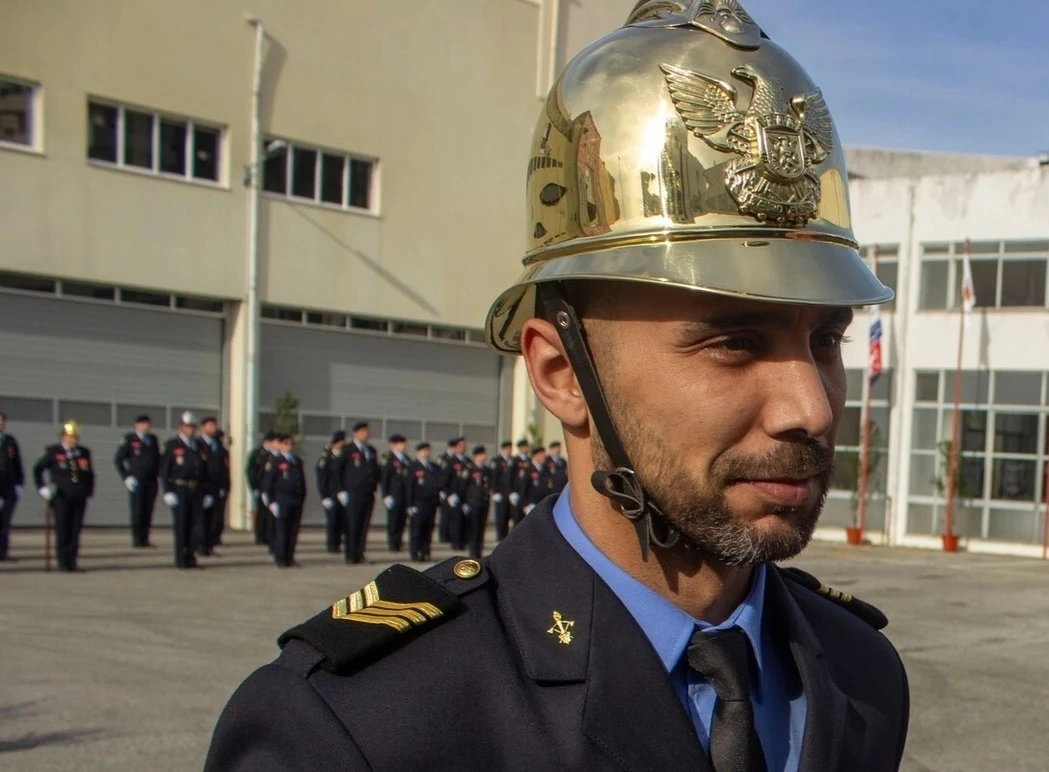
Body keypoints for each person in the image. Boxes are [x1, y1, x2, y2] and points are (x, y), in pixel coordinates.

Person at [205, 3, 909, 769]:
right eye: (733, 343)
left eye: (825, 340)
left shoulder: (859, 672)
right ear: (561, 373)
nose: (810, 407)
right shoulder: (361, 727)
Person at [33, 420, 94, 572]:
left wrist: (89, 492)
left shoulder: (83, 453)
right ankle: (62, 561)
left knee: (75, 530)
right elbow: (37, 469)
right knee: (63, 528)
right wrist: (42, 488)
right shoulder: (54, 453)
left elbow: (90, 475)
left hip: (79, 496)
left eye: (76, 437)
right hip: (62, 497)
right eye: (71, 437)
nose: (74, 440)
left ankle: (72, 561)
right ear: (63, 437)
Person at [160, 412, 210, 569]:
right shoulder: (172, 446)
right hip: (179, 488)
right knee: (182, 524)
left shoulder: (200, 446)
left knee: (196, 525)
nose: (191, 430)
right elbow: (164, 470)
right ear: (180, 427)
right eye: (187, 427)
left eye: (193, 427)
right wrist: (167, 491)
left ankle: (191, 555)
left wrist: (207, 492)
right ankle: (181, 557)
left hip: (196, 489)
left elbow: (205, 472)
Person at [113, 413, 160, 548]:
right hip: (137, 480)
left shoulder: (152, 439)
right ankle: (137, 539)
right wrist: (126, 477)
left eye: (148, 424)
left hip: (151, 480)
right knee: (138, 510)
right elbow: (118, 460)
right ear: (137, 425)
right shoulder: (129, 439)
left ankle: (145, 538)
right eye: (143, 424)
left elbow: (157, 458)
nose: (146, 427)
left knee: (148, 510)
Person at [335, 422, 378, 565]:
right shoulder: (347, 450)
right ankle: (351, 555)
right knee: (352, 525)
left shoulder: (370, 450)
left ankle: (360, 553)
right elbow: (337, 471)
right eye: (363, 432)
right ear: (356, 433)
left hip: (368, 493)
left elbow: (375, 471)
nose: (366, 434)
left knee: (363, 525)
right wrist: (340, 490)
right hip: (353, 493)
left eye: (367, 431)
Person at [262, 433, 306, 568]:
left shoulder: (296, 460)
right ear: (280, 445)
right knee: (282, 531)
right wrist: (271, 502)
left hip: (295, 499)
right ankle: (281, 558)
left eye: (291, 444)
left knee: (293, 531)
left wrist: (302, 496)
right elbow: (268, 482)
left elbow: (301, 480)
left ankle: (290, 557)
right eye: (286, 444)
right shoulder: (275, 461)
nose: (289, 446)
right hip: (282, 500)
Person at [199, 417, 230, 555]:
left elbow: (223, 469)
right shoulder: (198, 445)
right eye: (210, 425)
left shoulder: (218, 447)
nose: (213, 428)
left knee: (214, 518)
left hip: (217, 487)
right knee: (202, 519)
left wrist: (225, 486)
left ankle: (209, 545)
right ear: (203, 427)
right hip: (203, 487)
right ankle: (200, 546)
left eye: (214, 425)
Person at [407, 442, 440, 562]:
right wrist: (410, 504)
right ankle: (415, 552)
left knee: (428, 529)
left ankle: (425, 551)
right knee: (417, 529)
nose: (426, 453)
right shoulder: (413, 467)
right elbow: (409, 486)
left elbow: (437, 484)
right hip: (418, 503)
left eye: (427, 451)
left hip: (431, 503)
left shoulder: (433, 467)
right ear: (418, 453)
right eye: (423, 451)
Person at [315, 431, 347, 553]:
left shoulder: (343, 455)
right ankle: (331, 544)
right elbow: (322, 478)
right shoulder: (326, 458)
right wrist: (324, 496)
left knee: (341, 520)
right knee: (332, 521)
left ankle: (338, 543)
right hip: (330, 494)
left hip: (341, 494)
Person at [461, 444, 493, 560]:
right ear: (476, 456)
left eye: (484, 454)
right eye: (481, 455)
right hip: (473, 503)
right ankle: (473, 551)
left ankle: (479, 551)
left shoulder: (486, 470)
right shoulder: (469, 469)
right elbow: (463, 487)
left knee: (481, 528)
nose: (484, 457)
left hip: (484, 503)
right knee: (474, 528)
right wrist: (464, 502)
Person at [0, 411, 24, 562]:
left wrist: (19, 483)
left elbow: (17, 463)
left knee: (5, 521)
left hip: (8, 486)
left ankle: (3, 552)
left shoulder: (10, 441)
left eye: (1, 421)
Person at [380, 434, 411, 552]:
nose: (403, 446)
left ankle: (399, 541)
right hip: (394, 495)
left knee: (402, 519)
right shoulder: (388, 459)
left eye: (403, 443)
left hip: (404, 495)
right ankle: (392, 542)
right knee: (393, 520)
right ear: (393, 445)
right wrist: (386, 495)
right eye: (400, 443)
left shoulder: (406, 459)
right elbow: (384, 478)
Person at [247, 433, 278, 548]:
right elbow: (251, 472)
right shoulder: (258, 454)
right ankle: (260, 536)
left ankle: (268, 536)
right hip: (260, 487)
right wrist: (254, 487)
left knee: (270, 514)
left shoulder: (274, 455)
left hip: (270, 488)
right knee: (261, 513)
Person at [490, 440, 516, 542]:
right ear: (502, 449)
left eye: (510, 448)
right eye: (507, 448)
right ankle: (500, 538)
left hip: (509, 494)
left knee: (509, 516)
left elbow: (515, 478)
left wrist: (513, 491)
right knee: (501, 518)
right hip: (500, 493)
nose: (508, 451)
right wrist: (494, 491)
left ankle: (507, 540)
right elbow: (494, 477)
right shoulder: (496, 461)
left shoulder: (512, 461)